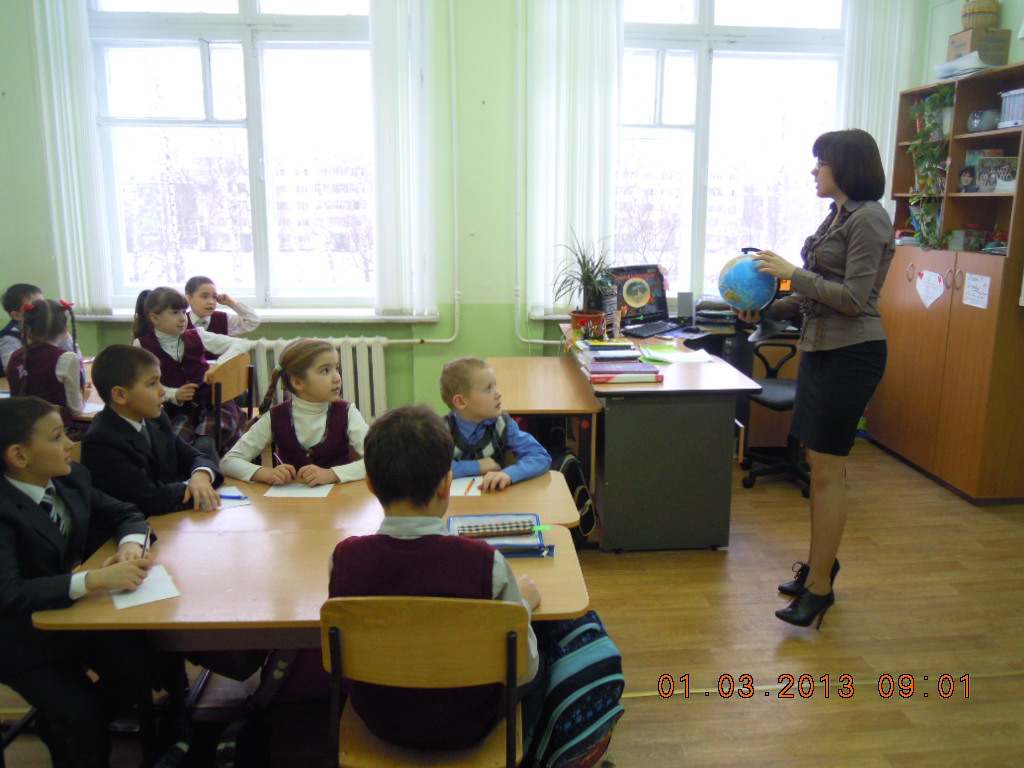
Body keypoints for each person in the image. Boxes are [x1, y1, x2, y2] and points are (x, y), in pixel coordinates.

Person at [737, 128, 893, 629]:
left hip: (852, 354)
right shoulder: (838, 216)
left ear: (844, 166)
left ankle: (820, 585)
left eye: (820, 161)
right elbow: (812, 296)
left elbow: (852, 299)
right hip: (822, 349)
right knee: (820, 466)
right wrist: (765, 306)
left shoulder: (870, 218)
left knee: (827, 472)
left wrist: (790, 271)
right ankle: (819, 566)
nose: (813, 170)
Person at [328, 404, 542, 748]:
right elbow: (523, 669)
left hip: (379, 719)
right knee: (547, 652)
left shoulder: (342, 559)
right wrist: (523, 611)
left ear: (370, 485)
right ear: (446, 485)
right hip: (468, 724)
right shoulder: (486, 563)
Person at [0, 396, 157, 768]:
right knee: (82, 718)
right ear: (19, 456)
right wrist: (93, 580)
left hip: (70, 617)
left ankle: (62, 727)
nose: (71, 444)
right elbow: (8, 593)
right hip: (18, 637)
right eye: (57, 437)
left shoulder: (69, 479)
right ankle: (74, 734)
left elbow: (125, 512)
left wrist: (131, 545)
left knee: (145, 666)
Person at [81, 344, 224, 517]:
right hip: (135, 527)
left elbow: (195, 456)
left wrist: (201, 475)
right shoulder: (101, 442)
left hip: (169, 520)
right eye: (152, 384)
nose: (162, 391)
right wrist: (193, 487)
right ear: (120, 395)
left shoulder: (155, 419)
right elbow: (149, 499)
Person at [220, 338, 367, 486]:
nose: (337, 378)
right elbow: (228, 461)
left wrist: (331, 474)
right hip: (291, 500)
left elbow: (376, 460)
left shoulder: (347, 412)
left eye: (337, 368)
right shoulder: (276, 416)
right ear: (297, 382)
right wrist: (265, 473)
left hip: (340, 498)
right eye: (325, 371)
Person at [132, 286, 249, 462]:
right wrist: (174, 394)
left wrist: (218, 366)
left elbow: (241, 344)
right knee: (177, 446)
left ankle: (212, 476)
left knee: (205, 444)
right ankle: (192, 477)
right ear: (155, 318)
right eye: (174, 313)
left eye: (183, 312)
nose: (182, 318)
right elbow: (144, 383)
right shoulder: (141, 345)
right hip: (178, 411)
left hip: (214, 406)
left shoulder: (197, 335)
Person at [439, 356, 551, 491]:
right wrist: (477, 466)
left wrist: (508, 474)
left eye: (495, 386)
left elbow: (540, 456)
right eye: (488, 388)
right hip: (453, 503)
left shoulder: (502, 424)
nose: (498, 394)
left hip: (494, 499)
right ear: (461, 402)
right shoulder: (440, 430)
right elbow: (427, 467)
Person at [7, 299, 87, 433]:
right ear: (65, 331)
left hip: (19, 432)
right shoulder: (67, 359)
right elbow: (76, 409)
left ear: (27, 330)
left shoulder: (15, 356)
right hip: (55, 432)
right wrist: (84, 397)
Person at [184, 275, 261, 342]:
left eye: (214, 297)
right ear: (189, 299)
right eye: (204, 297)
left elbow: (253, 321)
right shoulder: (182, 321)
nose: (211, 302)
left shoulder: (223, 319)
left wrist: (231, 303)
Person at [0, 282, 43, 376]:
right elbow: (12, 370)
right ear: (16, 315)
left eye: (43, 306)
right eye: (33, 309)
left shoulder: (43, 328)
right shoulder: (10, 337)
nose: (42, 312)